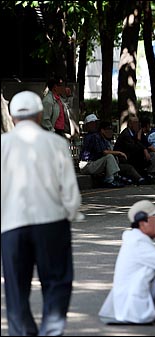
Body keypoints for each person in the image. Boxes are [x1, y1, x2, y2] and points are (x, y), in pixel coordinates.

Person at [2, 91, 81, 336]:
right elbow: (69, 190)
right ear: (39, 116)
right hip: (52, 222)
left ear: (13, 118)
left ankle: (23, 332)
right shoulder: (55, 143)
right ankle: (52, 330)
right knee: (57, 280)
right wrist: (71, 213)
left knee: (16, 288)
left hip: (11, 226)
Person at [79, 114, 125, 188]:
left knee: (111, 156)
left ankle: (115, 177)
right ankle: (109, 180)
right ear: (88, 125)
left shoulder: (96, 136)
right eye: (92, 123)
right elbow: (104, 152)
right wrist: (119, 153)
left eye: (96, 123)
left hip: (91, 163)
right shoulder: (93, 136)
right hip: (87, 165)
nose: (95, 125)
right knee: (109, 156)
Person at [113, 114, 155, 184]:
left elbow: (144, 144)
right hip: (124, 158)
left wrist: (144, 149)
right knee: (139, 156)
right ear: (130, 124)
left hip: (132, 156)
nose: (138, 125)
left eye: (138, 122)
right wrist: (139, 141)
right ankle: (141, 178)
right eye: (136, 123)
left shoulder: (136, 132)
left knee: (151, 154)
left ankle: (150, 174)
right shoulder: (126, 134)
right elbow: (133, 148)